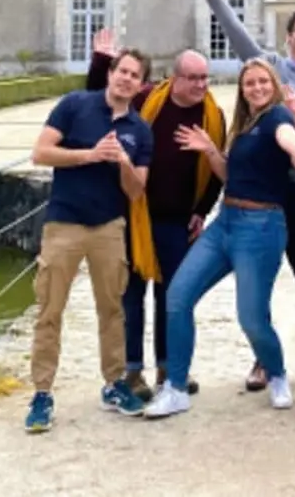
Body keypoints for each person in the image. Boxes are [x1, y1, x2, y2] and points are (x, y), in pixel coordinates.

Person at [143, 57, 295, 419]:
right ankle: (175, 387)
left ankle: (276, 373)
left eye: (263, 81)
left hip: (261, 227)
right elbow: (230, 173)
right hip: (226, 221)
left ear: (274, 84)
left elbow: (293, 145)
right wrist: (210, 151)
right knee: (177, 297)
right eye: (250, 83)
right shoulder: (245, 125)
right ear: (242, 89)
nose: (257, 88)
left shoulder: (276, 118)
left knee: (251, 317)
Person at [183, 0, 295, 389]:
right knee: (256, 284)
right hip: (259, 196)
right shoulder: (270, 68)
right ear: (288, 37)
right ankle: (263, 361)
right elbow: (236, 32)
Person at [85, 31, 225, 400]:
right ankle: (132, 372)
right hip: (134, 215)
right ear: (174, 78)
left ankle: (168, 366)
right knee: (131, 297)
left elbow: (214, 172)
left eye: (204, 78)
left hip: (177, 220)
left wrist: (201, 211)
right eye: (193, 78)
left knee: (173, 297)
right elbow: (100, 100)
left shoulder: (213, 115)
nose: (201, 85)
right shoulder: (147, 99)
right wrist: (101, 61)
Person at [24, 48, 155, 432]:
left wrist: (123, 162)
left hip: (109, 227)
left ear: (140, 84)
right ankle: (42, 393)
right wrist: (91, 155)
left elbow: (136, 191)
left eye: (134, 75)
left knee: (112, 310)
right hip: (64, 223)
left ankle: (114, 385)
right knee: (50, 311)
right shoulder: (75, 105)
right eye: (122, 71)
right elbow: (40, 153)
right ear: (111, 72)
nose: (126, 79)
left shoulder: (140, 130)